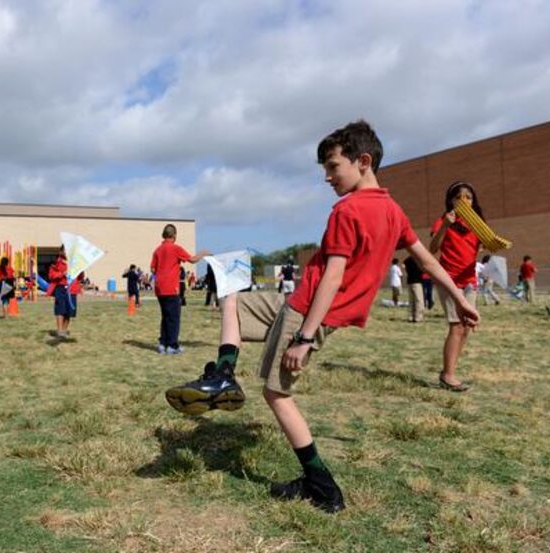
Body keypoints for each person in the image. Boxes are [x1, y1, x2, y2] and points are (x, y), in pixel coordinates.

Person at [164, 121, 479, 513]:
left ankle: (322, 486)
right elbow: (428, 260)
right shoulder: (393, 211)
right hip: (298, 303)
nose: (327, 177)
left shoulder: (348, 210)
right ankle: (223, 375)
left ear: (362, 162)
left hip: (306, 313)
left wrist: (305, 336)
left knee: (277, 394)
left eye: (332, 167)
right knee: (231, 296)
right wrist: (458, 297)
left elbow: (332, 276)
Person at [429, 181, 484, 392]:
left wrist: (491, 244)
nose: (464, 200)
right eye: (458, 197)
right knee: (456, 325)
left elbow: (479, 248)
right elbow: (433, 248)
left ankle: (449, 371)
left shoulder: (478, 224)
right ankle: (448, 375)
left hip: (469, 280)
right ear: (451, 201)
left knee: (467, 326)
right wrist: (445, 225)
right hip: (448, 279)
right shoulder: (444, 220)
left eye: (468, 197)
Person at [151, 224, 209, 354]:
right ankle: (172, 345)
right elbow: (192, 260)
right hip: (171, 288)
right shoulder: (175, 248)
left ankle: (163, 343)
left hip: (159, 288)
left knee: (165, 316)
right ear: (174, 235)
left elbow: (152, 269)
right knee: (174, 318)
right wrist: (203, 253)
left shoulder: (157, 250)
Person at [47, 246, 83, 338]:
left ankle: (64, 330)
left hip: (72, 289)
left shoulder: (75, 263)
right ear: (61, 252)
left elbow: (80, 277)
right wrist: (62, 274)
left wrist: (81, 270)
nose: (67, 252)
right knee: (60, 309)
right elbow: (51, 276)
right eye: (65, 250)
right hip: (60, 288)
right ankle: (60, 331)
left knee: (69, 311)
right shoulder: (56, 263)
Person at [403, 256, 424, 322]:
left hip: (410, 281)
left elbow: (404, 265)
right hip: (417, 282)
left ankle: (411, 316)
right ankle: (418, 317)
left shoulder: (408, 260)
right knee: (419, 300)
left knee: (411, 301)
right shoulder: (418, 260)